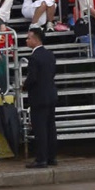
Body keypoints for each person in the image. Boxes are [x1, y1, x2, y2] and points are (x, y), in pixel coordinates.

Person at [22, 25, 57, 167]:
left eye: (28, 38)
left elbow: (33, 78)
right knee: (51, 127)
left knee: (40, 129)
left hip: (39, 97)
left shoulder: (34, 57)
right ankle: (52, 157)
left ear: (35, 40)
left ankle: (41, 159)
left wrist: (25, 85)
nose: (26, 41)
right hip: (51, 94)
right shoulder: (49, 55)